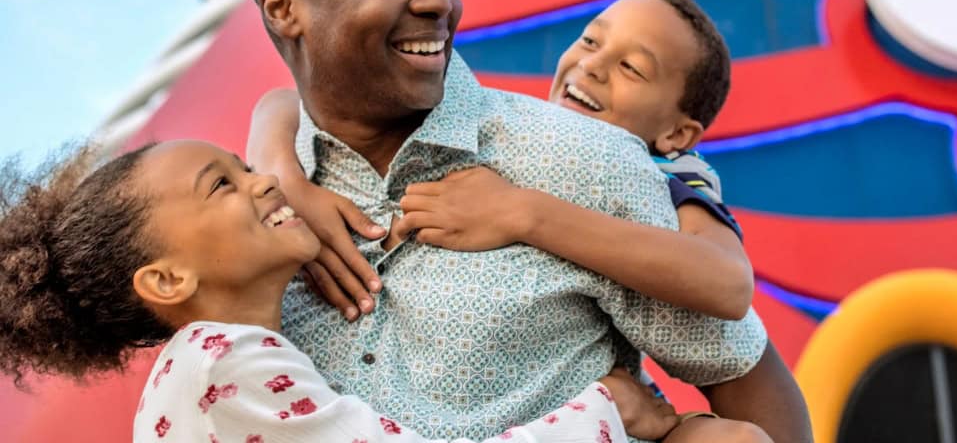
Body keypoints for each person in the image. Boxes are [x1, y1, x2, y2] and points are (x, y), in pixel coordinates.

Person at [242, 0, 791, 443]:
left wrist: (526, 214)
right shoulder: (250, 199)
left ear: (680, 133)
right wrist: (281, 172)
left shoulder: (594, 165)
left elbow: (736, 334)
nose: (436, 0)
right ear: (282, 9)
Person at [0, 141, 680, 442]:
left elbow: (280, 108)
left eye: (244, 167)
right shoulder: (220, 362)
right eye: (222, 185)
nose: (264, 181)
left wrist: (273, 138)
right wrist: (606, 413)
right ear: (169, 279)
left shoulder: (203, 369)